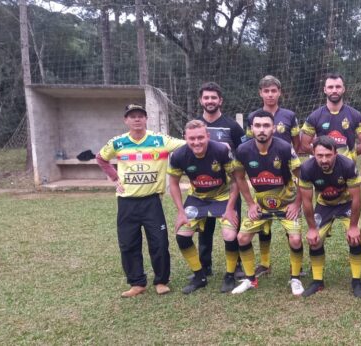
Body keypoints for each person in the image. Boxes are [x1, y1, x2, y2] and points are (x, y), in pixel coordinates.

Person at [96, 104, 185, 297]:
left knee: (159, 243)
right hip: (127, 203)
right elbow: (101, 158)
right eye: (132, 116)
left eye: (140, 116)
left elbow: (187, 145)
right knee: (128, 244)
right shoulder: (118, 143)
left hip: (152, 201)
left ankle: (161, 281)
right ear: (125, 120)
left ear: (146, 119)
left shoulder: (159, 140)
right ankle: (137, 283)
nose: (137, 119)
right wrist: (114, 177)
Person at [231, 110, 304, 295]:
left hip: (286, 203)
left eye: (266, 125)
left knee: (295, 239)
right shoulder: (242, 150)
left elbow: (303, 178)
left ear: (273, 128)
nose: (261, 130)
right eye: (257, 126)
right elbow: (239, 178)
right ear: (251, 129)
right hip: (261, 204)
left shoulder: (285, 148)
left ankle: (295, 278)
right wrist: (250, 203)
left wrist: (296, 204)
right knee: (242, 237)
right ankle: (250, 279)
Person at [167, 120, 240, 294]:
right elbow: (174, 184)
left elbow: (236, 181)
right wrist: (180, 212)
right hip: (197, 197)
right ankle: (199, 276)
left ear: (208, 136)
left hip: (222, 195)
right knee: (182, 235)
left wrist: (230, 208)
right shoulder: (178, 155)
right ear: (185, 138)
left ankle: (230, 275)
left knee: (229, 235)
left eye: (200, 137)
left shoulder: (222, 150)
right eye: (192, 138)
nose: (196, 142)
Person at [243, 75, 302, 277]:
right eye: (266, 91)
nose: (270, 94)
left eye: (273, 91)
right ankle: (265, 263)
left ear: (279, 92)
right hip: (262, 176)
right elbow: (249, 145)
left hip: (285, 174)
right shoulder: (252, 116)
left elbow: (297, 143)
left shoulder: (289, 115)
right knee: (263, 223)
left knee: (290, 220)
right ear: (260, 93)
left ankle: (297, 268)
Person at [298, 136, 361, 297]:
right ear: (313, 153)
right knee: (315, 241)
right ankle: (317, 281)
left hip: (346, 204)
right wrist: (312, 229)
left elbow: (357, 198)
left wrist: (354, 226)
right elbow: (306, 202)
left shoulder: (348, 165)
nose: (324, 159)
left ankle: (356, 281)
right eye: (319, 155)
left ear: (335, 153)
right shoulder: (306, 168)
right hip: (324, 205)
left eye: (328, 155)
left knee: (354, 238)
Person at [194, 82, 248, 279]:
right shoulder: (196, 126)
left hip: (230, 187)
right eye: (206, 98)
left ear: (220, 100)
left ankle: (238, 265)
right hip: (204, 187)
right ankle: (205, 266)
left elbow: (245, 149)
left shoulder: (232, 126)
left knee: (233, 225)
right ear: (201, 100)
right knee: (204, 229)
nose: (210, 101)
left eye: (213, 97)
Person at [300, 73, 361, 159]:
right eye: (330, 87)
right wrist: (321, 155)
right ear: (325, 90)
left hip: (347, 169)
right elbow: (304, 145)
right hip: (322, 169)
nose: (334, 90)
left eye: (338, 87)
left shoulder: (356, 115)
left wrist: (350, 155)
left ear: (343, 89)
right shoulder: (314, 116)